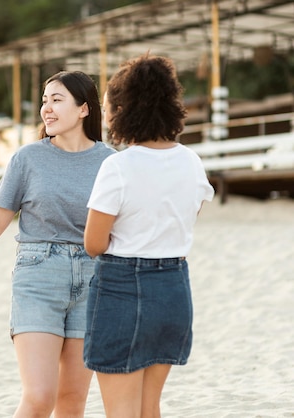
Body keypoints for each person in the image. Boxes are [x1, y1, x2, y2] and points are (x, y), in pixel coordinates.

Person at [0, 71, 115, 417]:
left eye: (57, 100)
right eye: (45, 101)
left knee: (72, 401)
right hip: (39, 277)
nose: (47, 109)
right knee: (40, 396)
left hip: (95, 281)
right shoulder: (27, 159)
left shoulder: (111, 162)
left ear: (84, 109)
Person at [83, 54, 215, 418]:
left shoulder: (119, 166)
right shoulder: (191, 161)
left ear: (125, 109)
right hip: (173, 288)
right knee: (149, 408)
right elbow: (190, 214)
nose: (106, 117)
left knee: (122, 412)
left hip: (123, 288)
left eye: (108, 108)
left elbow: (93, 244)